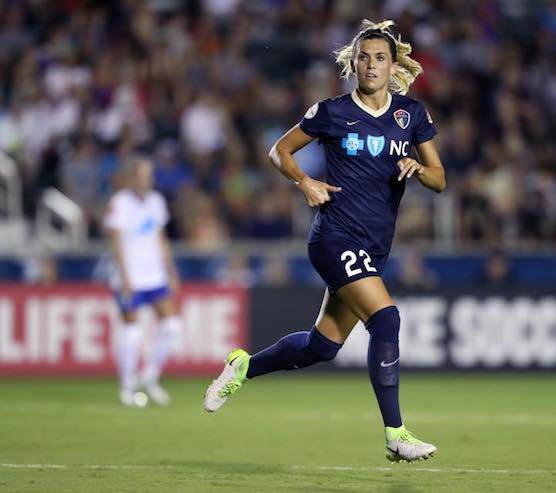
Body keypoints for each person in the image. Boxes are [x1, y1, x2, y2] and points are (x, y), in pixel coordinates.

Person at [204, 19, 446, 462]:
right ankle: (396, 433)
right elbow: (280, 150)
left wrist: (417, 167)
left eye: (379, 58)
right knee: (386, 320)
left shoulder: (411, 115)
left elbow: (440, 178)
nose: (371, 65)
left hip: (373, 246)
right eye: (364, 57)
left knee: (322, 347)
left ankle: (244, 367)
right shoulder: (332, 112)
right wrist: (304, 182)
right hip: (334, 237)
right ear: (352, 63)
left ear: (394, 66)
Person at [105, 157, 182, 407]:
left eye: (149, 175)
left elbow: (161, 239)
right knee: (132, 332)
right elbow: (116, 242)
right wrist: (125, 276)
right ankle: (127, 386)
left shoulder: (155, 202)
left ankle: (149, 377)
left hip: (154, 275)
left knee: (171, 325)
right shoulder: (120, 203)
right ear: (130, 177)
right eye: (142, 175)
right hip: (130, 277)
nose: (147, 180)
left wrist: (170, 272)